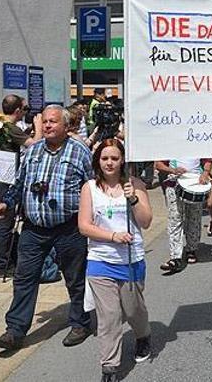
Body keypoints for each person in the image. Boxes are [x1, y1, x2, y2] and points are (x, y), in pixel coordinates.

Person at [0, 105, 94, 350]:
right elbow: (19, 184)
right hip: (33, 228)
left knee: (75, 278)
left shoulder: (80, 151)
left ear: (66, 126)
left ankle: (80, 322)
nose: (47, 126)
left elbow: (91, 188)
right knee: (24, 279)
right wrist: (6, 203)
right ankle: (14, 331)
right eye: (45, 121)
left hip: (69, 228)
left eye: (53, 122)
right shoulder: (34, 150)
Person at [78, 139, 152, 382]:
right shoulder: (90, 187)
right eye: (104, 158)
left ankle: (143, 335)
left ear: (123, 161)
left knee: (133, 310)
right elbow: (84, 226)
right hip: (100, 260)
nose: (109, 163)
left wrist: (133, 200)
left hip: (131, 260)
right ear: (98, 161)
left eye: (115, 158)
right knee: (108, 317)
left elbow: (146, 222)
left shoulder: (136, 185)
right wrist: (112, 236)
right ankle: (109, 368)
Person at [0, 95, 43, 278]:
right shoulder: (10, 127)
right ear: (17, 110)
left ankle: (0, 258)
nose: (25, 113)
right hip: (3, 179)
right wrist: (39, 128)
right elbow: (34, 146)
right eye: (24, 109)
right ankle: (1, 266)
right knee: (5, 222)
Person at [154, 158, 212, 272]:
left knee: (194, 218)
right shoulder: (169, 143)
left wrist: (205, 173)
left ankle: (192, 249)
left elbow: (207, 160)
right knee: (175, 219)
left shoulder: (197, 141)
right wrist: (172, 170)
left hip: (196, 182)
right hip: (174, 183)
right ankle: (175, 257)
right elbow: (158, 164)